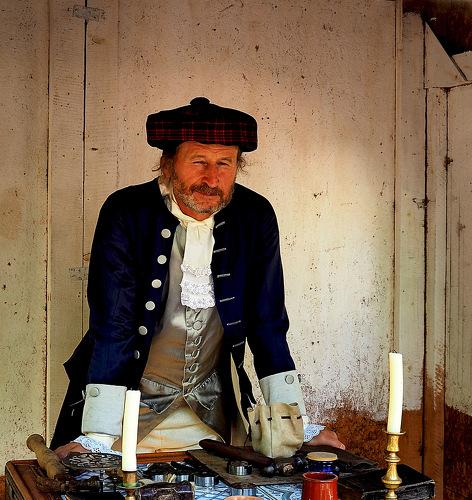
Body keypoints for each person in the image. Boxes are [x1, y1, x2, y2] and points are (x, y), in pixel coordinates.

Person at [52, 97, 344, 458]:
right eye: (198, 161)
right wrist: (98, 435)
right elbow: (114, 325)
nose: (212, 178)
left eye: (224, 163)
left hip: (214, 417)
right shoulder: (126, 212)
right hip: (125, 415)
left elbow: (268, 324)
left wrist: (293, 422)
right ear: (167, 163)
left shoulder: (255, 217)